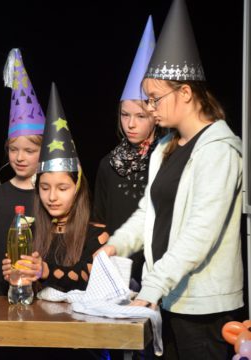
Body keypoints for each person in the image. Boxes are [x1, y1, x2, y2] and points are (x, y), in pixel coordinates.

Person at [99, 0, 244, 358]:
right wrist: (115, 245)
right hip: (170, 299)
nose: (150, 109)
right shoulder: (166, 147)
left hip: (204, 309)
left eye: (154, 99)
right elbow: (149, 211)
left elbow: (200, 232)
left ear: (185, 93)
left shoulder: (219, 151)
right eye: (147, 100)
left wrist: (152, 286)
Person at [2, 83, 109, 293]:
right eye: (44, 187)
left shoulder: (97, 236)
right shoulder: (29, 233)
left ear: (77, 188)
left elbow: (85, 277)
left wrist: (43, 270)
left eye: (62, 188)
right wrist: (16, 275)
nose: (52, 197)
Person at [93, 16, 160, 290]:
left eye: (140, 116)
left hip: (159, 266)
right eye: (124, 115)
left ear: (155, 115)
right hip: (119, 266)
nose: (131, 124)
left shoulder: (166, 157)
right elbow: (99, 221)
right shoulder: (109, 164)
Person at [0, 48, 44, 294]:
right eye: (14, 149)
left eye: (29, 151)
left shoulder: (49, 196)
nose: (19, 157)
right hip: (1, 295)